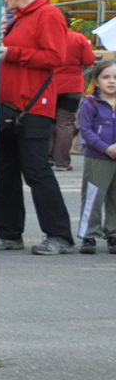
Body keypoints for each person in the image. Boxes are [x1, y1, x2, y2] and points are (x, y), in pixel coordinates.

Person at [0, 0, 88, 253]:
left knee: (36, 170)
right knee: (6, 169)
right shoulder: (20, 16)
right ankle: (9, 232)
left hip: (32, 105)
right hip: (12, 105)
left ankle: (59, 235)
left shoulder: (47, 14)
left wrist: (11, 52)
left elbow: (54, 57)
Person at [74, 57, 116, 253]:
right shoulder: (91, 103)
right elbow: (87, 131)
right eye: (106, 77)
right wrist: (105, 148)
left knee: (114, 198)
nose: (111, 81)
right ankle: (89, 235)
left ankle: (113, 234)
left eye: (115, 77)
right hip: (98, 157)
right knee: (93, 197)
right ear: (97, 81)